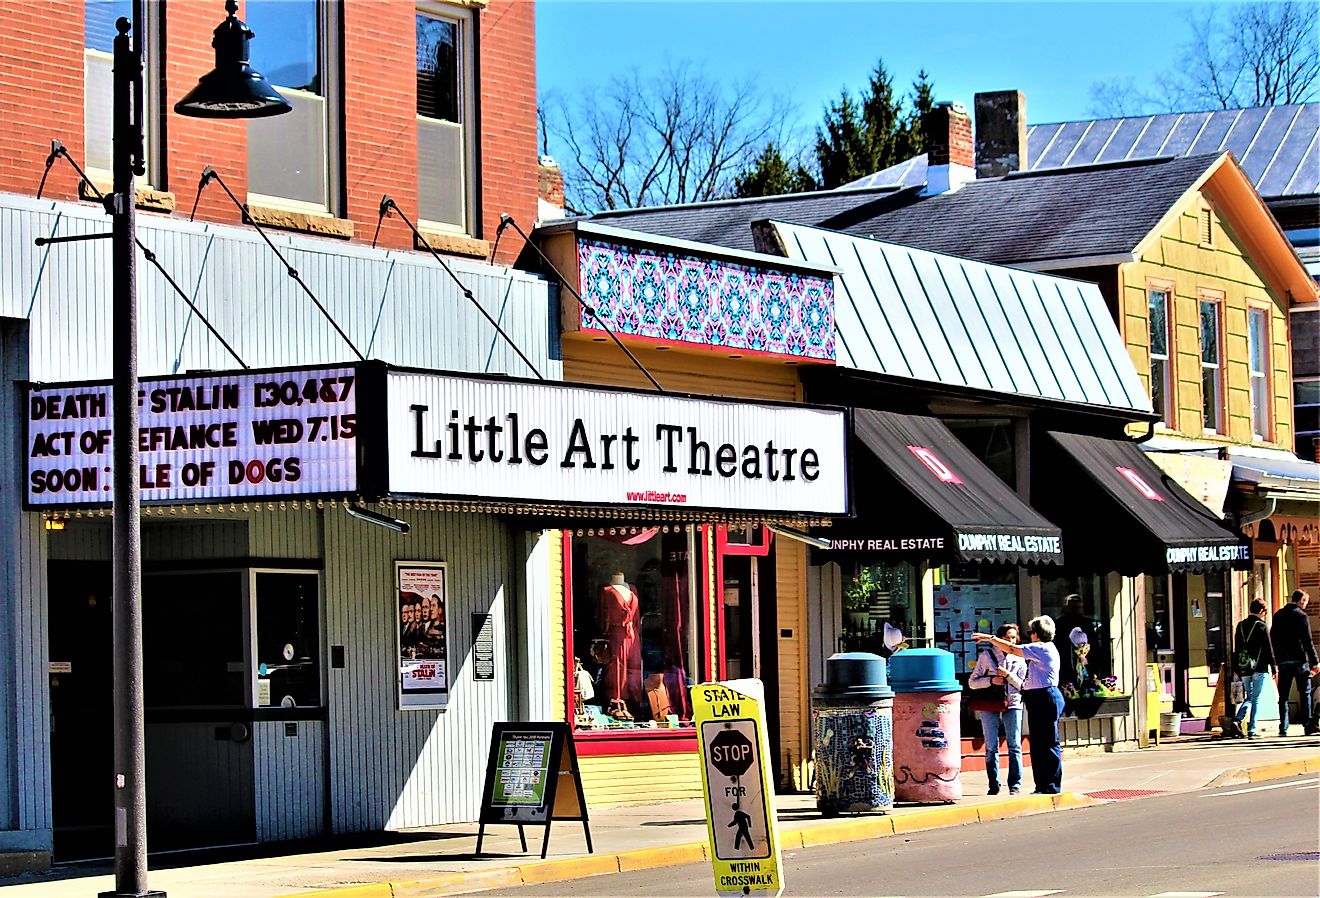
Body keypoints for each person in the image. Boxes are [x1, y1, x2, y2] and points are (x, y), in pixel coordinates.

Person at [973, 615, 1064, 794]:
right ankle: (1042, 785)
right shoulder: (1039, 648)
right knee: (1038, 743)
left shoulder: (1041, 648)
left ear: (1037, 634)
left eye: (1032, 632)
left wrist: (991, 638)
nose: (1030, 635)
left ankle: (1051, 785)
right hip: (1035, 696)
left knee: (1048, 742)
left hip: (1045, 696)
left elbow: (1013, 649)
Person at [968, 623, 1026, 796]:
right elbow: (972, 682)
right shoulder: (987, 656)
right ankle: (994, 783)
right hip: (990, 702)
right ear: (999, 639)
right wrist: (991, 681)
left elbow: (1023, 685)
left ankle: (1015, 784)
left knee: (1014, 744)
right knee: (991, 745)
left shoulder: (1020, 658)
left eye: (1014, 637)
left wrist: (1008, 676)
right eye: (1007, 638)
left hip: (1013, 702)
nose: (1011, 641)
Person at [1270, 589, 1319, 736]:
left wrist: (1276, 659)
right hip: (1299, 660)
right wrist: (1315, 661)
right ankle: (1307, 724)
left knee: (1283, 695)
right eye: (1305, 602)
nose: (1305, 605)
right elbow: (1307, 641)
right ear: (1301, 600)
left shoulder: (1278, 615)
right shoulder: (1301, 616)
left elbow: (1273, 638)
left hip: (1283, 661)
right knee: (1304, 693)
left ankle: (1283, 726)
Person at [1230, 599, 1275, 738]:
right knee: (1254, 698)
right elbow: (1268, 647)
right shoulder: (1261, 626)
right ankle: (1251, 728)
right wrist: (1273, 666)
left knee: (1249, 696)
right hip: (1259, 666)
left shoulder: (1241, 625)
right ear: (1261, 611)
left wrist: (1236, 666)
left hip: (1244, 666)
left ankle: (1238, 720)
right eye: (1265, 612)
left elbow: (1236, 647)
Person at [1053, 594, 1093, 688]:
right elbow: (1057, 644)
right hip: (1066, 662)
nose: (1075, 609)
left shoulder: (1086, 623)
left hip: (1085, 662)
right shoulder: (1060, 623)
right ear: (1066, 608)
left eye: (1077, 607)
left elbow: (1093, 643)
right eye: (1072, 607)